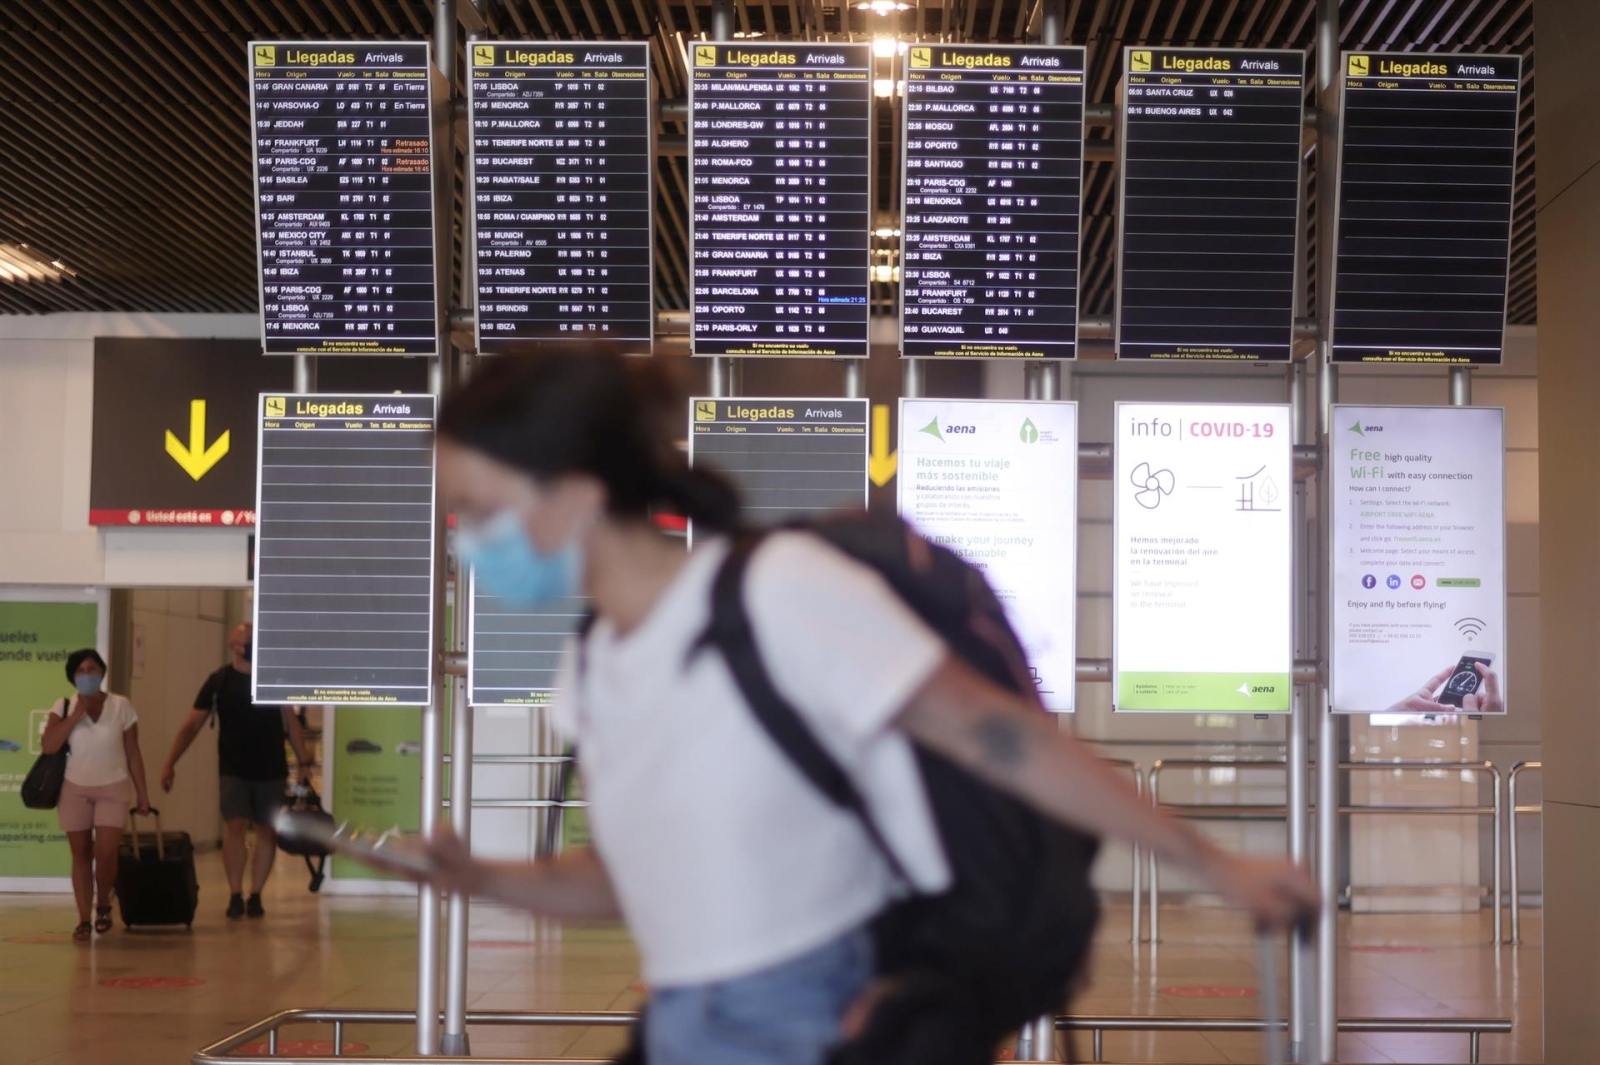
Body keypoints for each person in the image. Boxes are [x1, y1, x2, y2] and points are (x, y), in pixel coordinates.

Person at [385, 351, 1319, 1065]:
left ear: (578, 497)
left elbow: (1004, 740)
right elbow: (643, 881)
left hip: (819, 1016)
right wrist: (485, 877)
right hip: (682, 1021)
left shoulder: (775, 591)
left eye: (475, 509)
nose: (462, 540)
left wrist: (1216, 863)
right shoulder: (594, 663)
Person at [160, 622, 311, 919]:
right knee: (235, 827)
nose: (250, 646)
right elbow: (193, 724)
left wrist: (304, 762)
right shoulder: (219, 681)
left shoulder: (272, 680)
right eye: (245, 641)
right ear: (234, 645)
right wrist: (170, 762)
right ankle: (235, 894)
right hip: (233, 768)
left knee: (266, 831)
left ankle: (256, 894)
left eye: (254, 640)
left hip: (271, 768)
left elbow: (291, 723)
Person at [39, 649, 152, 941]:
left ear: (102, 672)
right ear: (72, 676)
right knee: (80, 855)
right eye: (80, 670)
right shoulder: (64, 706)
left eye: (92, 669)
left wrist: (143, 793)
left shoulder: (121, 706)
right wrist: (75, 715)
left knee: (106, 852)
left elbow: (132, 751)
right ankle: (82, 919)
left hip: (113, 787)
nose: (86, 674)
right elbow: (49, 745)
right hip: (74, 788)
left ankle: (103, 903)